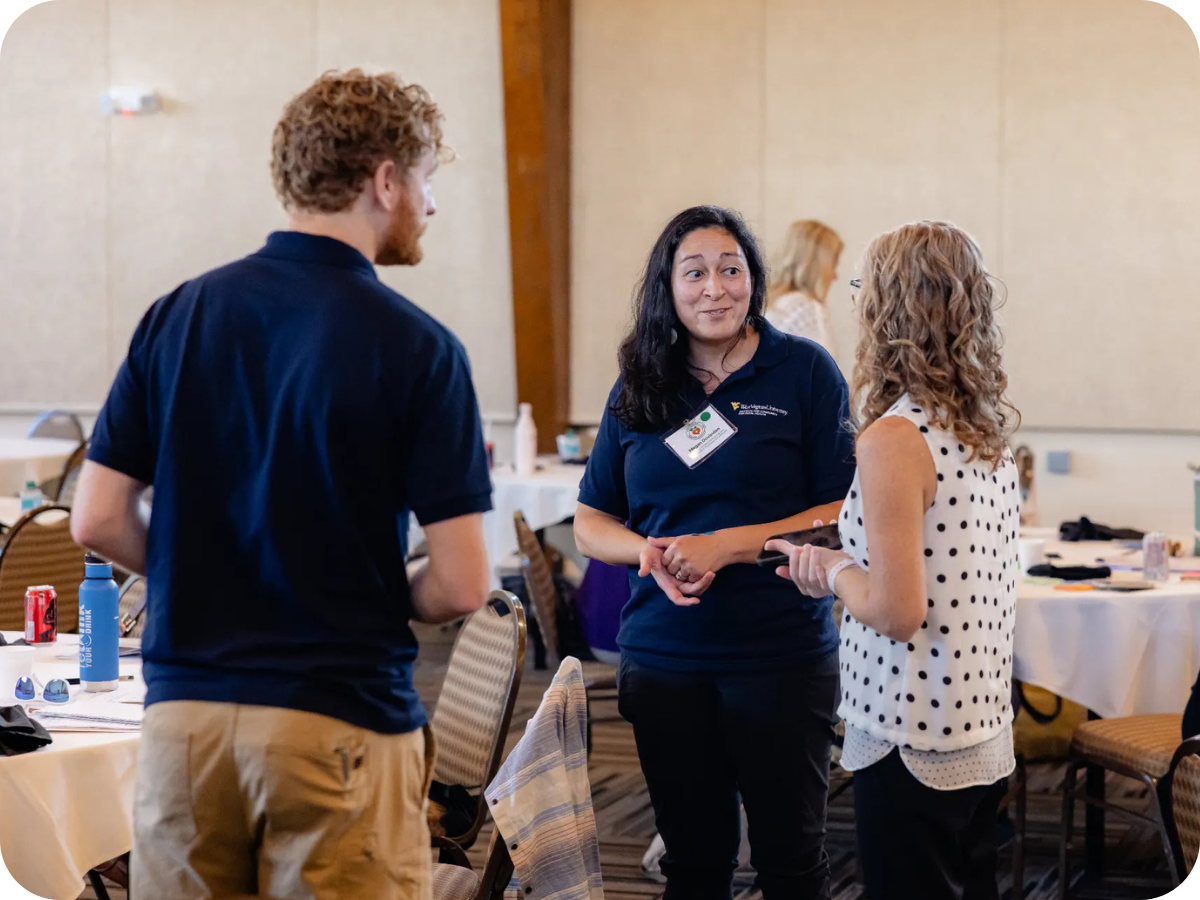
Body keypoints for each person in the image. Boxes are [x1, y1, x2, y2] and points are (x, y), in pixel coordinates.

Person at [71, 69, 492, 900]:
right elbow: (463, 582)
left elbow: (97, 518)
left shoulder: (178, 315)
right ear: (384, 182)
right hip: (336, 721)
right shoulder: (420, 349)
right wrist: (368, 587)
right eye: (428, 182)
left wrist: (212, 577)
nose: (431, 206)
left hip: (184, 727)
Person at [574, 205, 856, 900]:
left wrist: (730, 546)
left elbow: (845, 513)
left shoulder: (805, 373)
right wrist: (645, 553)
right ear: (667, 287)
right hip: (665, 659)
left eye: (731, 270)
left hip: (781, 656)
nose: (715, 288)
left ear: (754, 280)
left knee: (792, 865)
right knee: (693, 866)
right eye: (694, 272)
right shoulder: (641, 379)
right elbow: (590, 520)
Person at [767, 220, 1021, 900]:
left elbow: (898, 611)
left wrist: (831, 571)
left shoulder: (893, 438)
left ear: (888, 310)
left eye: (862, 290)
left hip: (913, 727)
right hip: (981, 721)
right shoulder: (986, 428)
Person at [764, 219, 843, 351]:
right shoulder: (809, 311)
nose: (835, 275)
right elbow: (818, 370)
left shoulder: (770, 305)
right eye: (833, 264)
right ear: (817, 264)